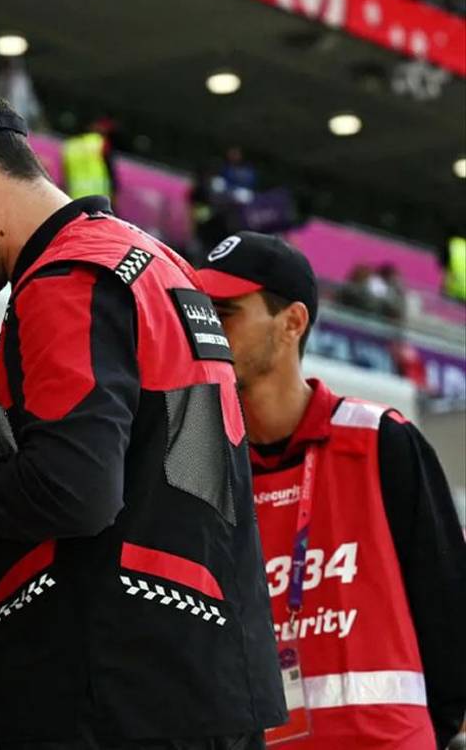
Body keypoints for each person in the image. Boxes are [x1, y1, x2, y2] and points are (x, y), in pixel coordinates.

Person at [0, 84, 285, 748]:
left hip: (109, 694)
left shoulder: (66, 279)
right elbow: (147, 454)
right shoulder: (153, 264)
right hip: (197, 681)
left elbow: (74, 491)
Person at [197, 232, 466, 750]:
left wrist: (437, 729)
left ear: (292, 322)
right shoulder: (199, 460)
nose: (204, 328)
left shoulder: (381, 441)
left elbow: (448, 601)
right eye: (200, 312)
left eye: (224, 312)